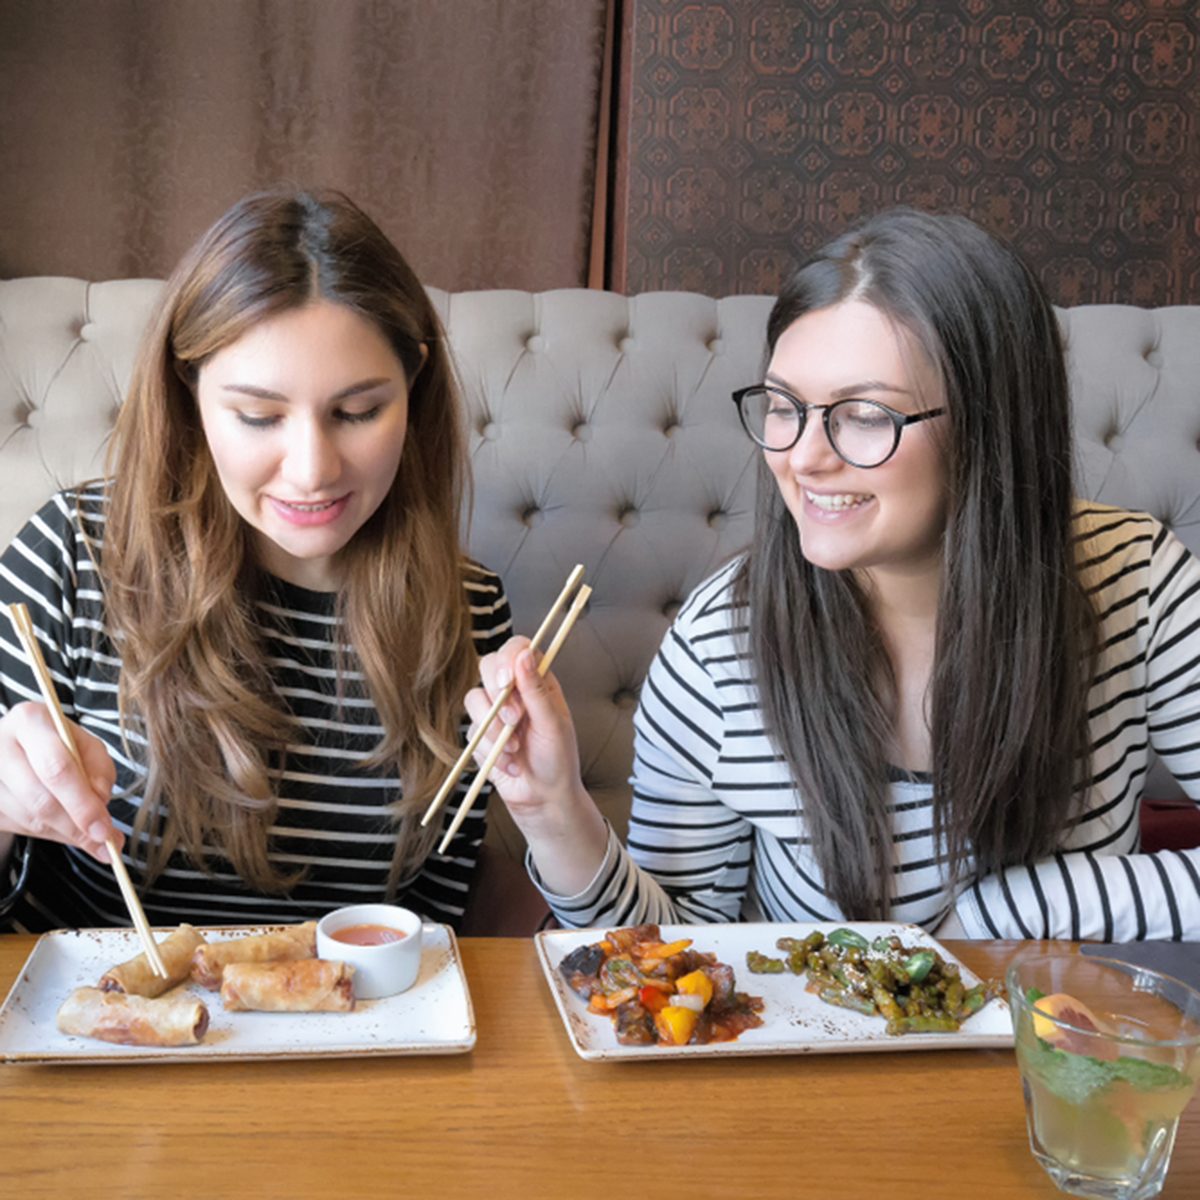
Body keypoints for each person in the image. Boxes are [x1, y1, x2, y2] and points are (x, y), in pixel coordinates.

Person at [468, 207, 1200, 941]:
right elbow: (666, 953)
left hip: (1064, 1048)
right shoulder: (721, 644)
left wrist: (1018, 909)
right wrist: (553, 813)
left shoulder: (1137, 583)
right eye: (785, 406)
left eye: (864, 414)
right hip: (824, 1055)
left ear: (991, 423)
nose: (804, 457)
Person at [0, 188, 511, 932]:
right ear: (190, 395)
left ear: (415, 387)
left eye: (359, 411)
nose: (311, 470)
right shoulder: (75, 553)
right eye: (258, 416)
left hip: (358, 1035)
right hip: (101, 1027)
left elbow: (437, 923)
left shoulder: (468, 606)